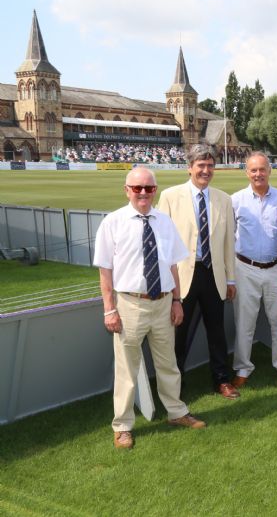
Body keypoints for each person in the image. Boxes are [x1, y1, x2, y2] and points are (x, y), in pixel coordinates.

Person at [94, 167, 206, 450]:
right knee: (127, 370)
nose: (143, 193)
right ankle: (122, 426)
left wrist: (177, 301)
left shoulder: (164, 222)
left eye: (149, 188)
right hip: (130, 304)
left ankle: (176, 412)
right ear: (127, 190)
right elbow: (105, 272)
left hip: (164, 302)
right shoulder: (113, 222)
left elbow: (173, 266)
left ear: (155, 190)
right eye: (137, 188)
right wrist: (110, 309)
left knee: (168, 363)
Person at [157, 144, 239, 400]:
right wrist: (167, 283)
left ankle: (222, 380)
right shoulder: (170, 196)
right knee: (179, 333)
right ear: (189, 167)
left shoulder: (224, 199)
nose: (206, 170)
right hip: (182, 278)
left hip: (213, 274)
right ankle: (174, 385)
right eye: (200, 166)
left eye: (210, 165)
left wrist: (231, 278)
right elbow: (163, 243)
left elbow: (228, 243)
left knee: (217, 332)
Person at [230, 152, 277, 389]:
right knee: (244, 323)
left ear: (270, 170)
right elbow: (228, 237)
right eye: (253, 170)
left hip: (276, 268)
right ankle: (243, 368)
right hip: (245, 268)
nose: (258, 174)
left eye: (262, 169)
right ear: (247, 172)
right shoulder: (236, 200)